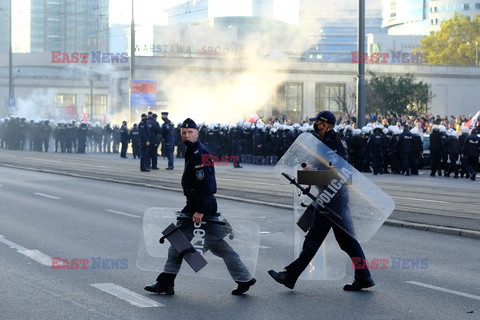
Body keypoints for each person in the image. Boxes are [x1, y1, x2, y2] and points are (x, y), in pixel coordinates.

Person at [144, 118, 256, 295]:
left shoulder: (200, 153)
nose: (186, 135)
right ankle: (244, 278)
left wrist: (201, 211)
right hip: (196, 204)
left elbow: (208, 185)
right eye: (183, 132)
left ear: (197, 133)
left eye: (190, 132)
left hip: (201, 206)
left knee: (178, 242)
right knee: (217, 245)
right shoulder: (192, 151)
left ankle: (166, 283)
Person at [268, 110, 375, 291]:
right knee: (348, 241)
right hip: (335, 196)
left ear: (324, 124)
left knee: (313, 238)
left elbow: (339, 174)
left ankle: (290, 276)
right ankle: (364, 276)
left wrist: (310, 175)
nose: (315, 126)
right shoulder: (333, 140)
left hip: (331, 197)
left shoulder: (331, 143)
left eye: (317, 123)